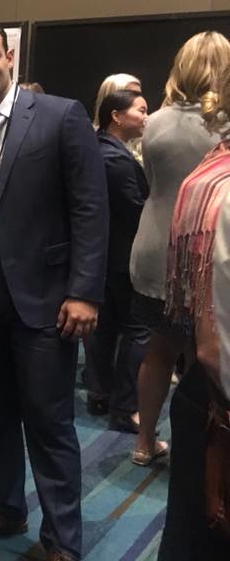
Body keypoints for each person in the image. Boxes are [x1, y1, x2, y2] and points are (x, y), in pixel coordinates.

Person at [0, 19, 108, 561]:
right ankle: (6, 507)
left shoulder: (61, 116)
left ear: (9, 56)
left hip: (46, 293)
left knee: (48, 417)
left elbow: (90, 207)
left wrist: (85, 291)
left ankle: (62, 541)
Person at [130, 31, 228, 466]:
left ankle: (143, 442)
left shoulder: (154, 121)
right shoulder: (224, 122)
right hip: (201, 255)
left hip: (152, 248)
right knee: (204, 357)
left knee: (158, 349)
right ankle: (202, 452)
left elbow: (152, 183)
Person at [158, 74, 230, 559]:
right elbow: (215, 343)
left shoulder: (211, 172)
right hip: (218, 399)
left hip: (204, 388)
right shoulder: (220, 185)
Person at [85, 90, 149, 431]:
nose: (146, 117)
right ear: (117, 116)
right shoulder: (118, 160)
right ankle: (126, 407)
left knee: (105, 326)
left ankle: (99, 392)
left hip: (102, 256)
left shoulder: (96, 150)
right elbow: (136, 210)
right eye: (141, 110)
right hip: (123, 257)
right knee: (137, 330)